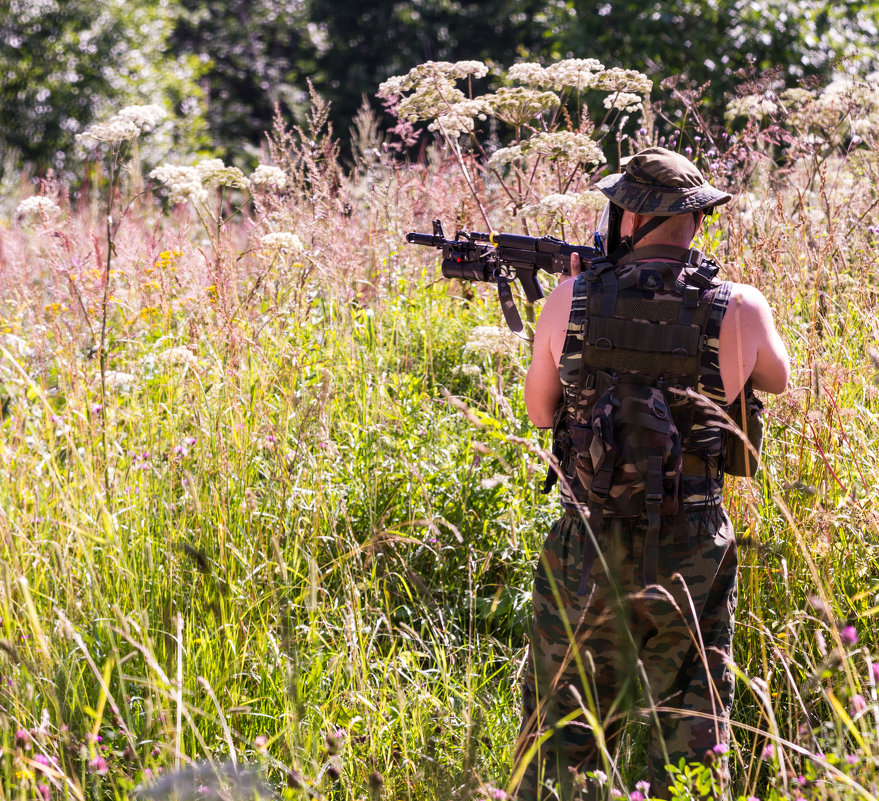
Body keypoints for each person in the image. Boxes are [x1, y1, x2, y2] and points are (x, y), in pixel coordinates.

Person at [512, 147, 790, 800]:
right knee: (690, 738)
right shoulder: (738, 306)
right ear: (693, 220)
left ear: (627, 216)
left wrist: (584, 295)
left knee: (560, 735)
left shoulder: (568, 299)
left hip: (588, 547)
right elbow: (775, 378)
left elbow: (538, 411)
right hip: (691, 548)